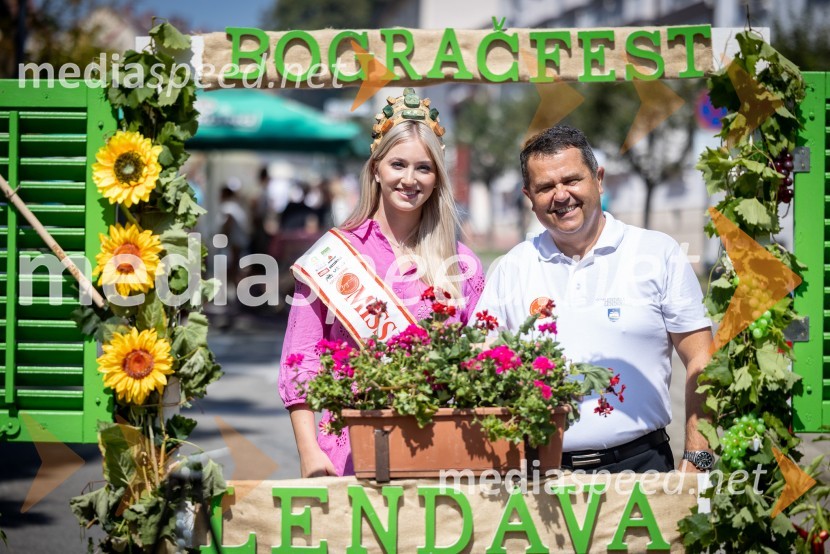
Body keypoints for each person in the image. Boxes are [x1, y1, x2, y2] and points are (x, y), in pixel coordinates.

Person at [475, 125, 714, 473]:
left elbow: (701, 357)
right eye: (545, 187)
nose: (561, 196)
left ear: (598, 179)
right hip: (540, 475)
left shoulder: (657, 253)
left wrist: (698, 457)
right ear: (529, 196)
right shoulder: (511, 268)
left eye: (572, 180)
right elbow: (480, 362)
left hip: (642, 466)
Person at [278, 89, 485, 477]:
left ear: (437, 177)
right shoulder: (334, 255)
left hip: (438, 454)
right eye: (398, 164)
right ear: (376, 169)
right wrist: (308, 453)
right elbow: (300, 359)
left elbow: (481, 363)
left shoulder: (463, 264)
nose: (409, 179)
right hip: (351, 453)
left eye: (423, 168)